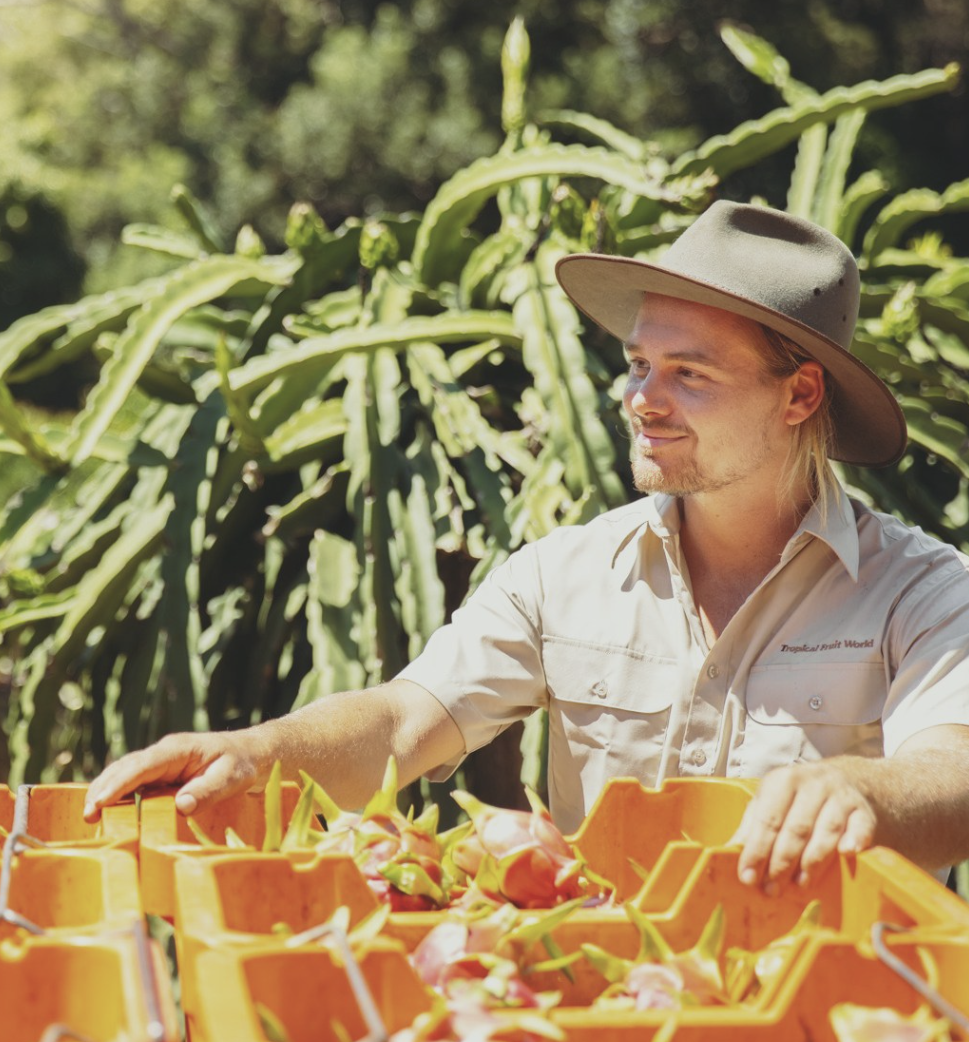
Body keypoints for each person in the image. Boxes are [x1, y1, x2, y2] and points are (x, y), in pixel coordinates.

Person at [84, 201, 969, 891]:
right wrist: (262, 752)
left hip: (842, 1024)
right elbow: (403, 721)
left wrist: (863, 791)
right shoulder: (564, 575)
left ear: (800, 396)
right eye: (637, 365)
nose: (642, 400)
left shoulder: (923, 593)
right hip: (609, 1006)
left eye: (689, 375)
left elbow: (954, 772)